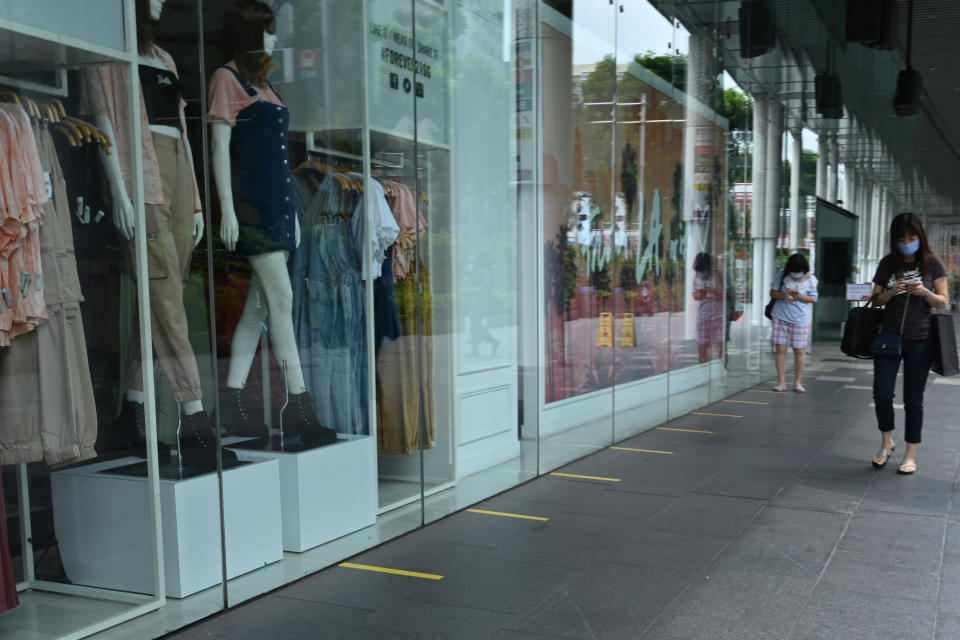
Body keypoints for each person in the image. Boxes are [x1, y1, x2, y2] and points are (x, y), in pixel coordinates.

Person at [870, 212, 948, 474]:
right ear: (895, 239)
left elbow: (943, 301)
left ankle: (910, 453)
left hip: (920, 339)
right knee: (882, 392)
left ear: (920, 237)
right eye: (902, 238)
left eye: (912, 237)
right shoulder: (887, 263)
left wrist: (925, 292)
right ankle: (886, 442)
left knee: (914, 399)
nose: (907, 242)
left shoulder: (932, 264)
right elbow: (876, 300)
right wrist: (894, 291)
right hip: (889, 337)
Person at [769, 253, 818, 392]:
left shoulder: (811, 279)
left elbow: (813, 298)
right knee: (780, 349)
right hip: (780, 316)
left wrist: (800, 296)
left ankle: (798, 383)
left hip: (799, 318)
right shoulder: (782, 274)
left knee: (800, 350)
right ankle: (781, 382)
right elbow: (772, 293)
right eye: (793, 271)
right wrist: (785, 294)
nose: (795, 275)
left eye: (798, 272)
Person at [692, 252, 724, 363]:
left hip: (719, 315)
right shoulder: (697, 277)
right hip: (704, 315)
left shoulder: (718, 276)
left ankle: (721, 366)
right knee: (703, 345)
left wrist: (713, 291)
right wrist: (700, 294)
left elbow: (726, 293)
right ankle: (703, 368)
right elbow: (695, 296)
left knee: (721, 345)